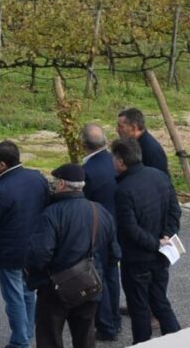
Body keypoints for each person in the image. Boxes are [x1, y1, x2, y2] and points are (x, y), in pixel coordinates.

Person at [26, 163, 120, 348]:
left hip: (54, 288)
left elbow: (39, 255)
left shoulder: (51, 214)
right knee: (85, 337)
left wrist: (32, 274)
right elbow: (114, 253)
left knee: (49, 338)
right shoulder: (100, 211)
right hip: (89, 286)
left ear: (61, 184)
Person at [0, 141, 50, 348]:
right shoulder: (37, 177)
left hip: (9, 252)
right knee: (27, 291)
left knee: (13, 296)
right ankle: (28, 331)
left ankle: (19, 341)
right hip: (33, 248)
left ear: (2, 165)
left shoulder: (1, 188)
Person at [112, 138, 182, 344]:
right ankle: (180, 340)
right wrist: (166, 237)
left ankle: (142, 343)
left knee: (139, 306)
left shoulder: (123, 190)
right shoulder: (159, 176)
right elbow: (174, 211)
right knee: (160, 300)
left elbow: (130, 228)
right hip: (163, 254)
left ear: (122, 162)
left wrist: (154, 243)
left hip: (137, 258)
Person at [80, 124, 122, 342]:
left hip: (96, 229)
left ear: (83, 144)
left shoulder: (87, 171)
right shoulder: (114, 162)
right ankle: (114, 319)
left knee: (99, 276)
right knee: (113, 276)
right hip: (115, 227)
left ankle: (106, 325)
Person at [116, 108, 169, 176]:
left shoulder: (151, 150)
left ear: (133, 127)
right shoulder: (132, 143)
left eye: (121, 126)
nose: (117, 130)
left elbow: (158, 180)